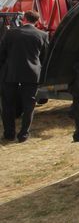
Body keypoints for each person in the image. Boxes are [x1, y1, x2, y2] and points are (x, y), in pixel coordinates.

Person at [0, 10, 48, 143]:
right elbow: (44, 57)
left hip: (11, 73)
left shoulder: (10, 33)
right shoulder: (43, 35)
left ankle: (9, 134)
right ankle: (24, 135)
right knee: (29, 106)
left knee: (8, 104)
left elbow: (2, 53)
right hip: (32, 74)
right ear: (37, 21)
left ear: (24, 19)